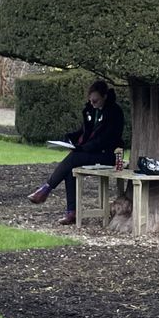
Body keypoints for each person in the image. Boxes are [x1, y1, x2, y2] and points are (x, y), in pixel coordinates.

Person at [27, 79, 125, 225]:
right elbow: (85, 131)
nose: (92, 104)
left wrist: (82, 148)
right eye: (90, 101)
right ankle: (71, 212)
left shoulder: (114, 112)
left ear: (104, 97)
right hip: (91, 151)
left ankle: (46, 189)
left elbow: (105, 139)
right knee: (70, 169)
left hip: (108, 154)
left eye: (95, 101)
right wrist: (70, 138)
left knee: (74, 158)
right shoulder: (91, 110)